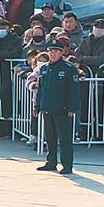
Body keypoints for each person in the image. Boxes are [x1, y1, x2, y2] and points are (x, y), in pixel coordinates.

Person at [36, 40, 80, 175]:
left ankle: (67, 165)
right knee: (50, 138)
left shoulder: (69, 68)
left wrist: (72, 108)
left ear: (61, 53)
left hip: (63, 109)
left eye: (56, 51)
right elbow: (40, 89)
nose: (53, 54)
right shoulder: (44, 68)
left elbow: (74, 90)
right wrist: (37, 105)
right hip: (47, 108)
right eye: (51, 51)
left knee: (64, 139)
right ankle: (51, 162)